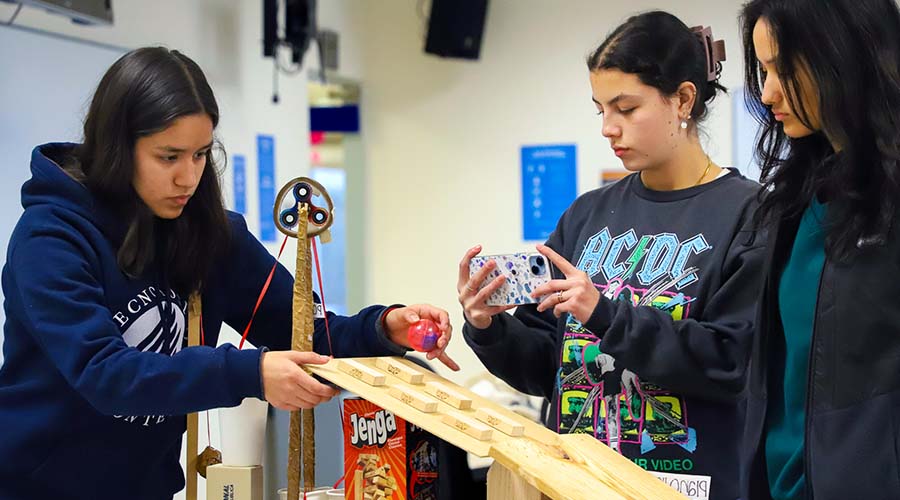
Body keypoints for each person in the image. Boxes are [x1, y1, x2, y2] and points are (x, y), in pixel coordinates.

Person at [0, 47, 457, 500]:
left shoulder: (209, 235)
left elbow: (305, 336)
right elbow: (106, 375)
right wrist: (249, 372)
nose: (188, 177)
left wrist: (383, 329)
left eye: (200, 155)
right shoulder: (50, 239)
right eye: (169, 157)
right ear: (119, 147)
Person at [458, 11, 764, 499]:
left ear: (683, 99)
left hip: (687, 485)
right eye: (600, 108)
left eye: (625, 108)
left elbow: (732, 362)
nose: (607, 127)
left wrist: (604, 314)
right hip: (575, 483)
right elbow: (546, 368)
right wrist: (489, 327)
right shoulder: (587, 214)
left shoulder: (750, 213)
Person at [739, 1, 900, 498]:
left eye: (782, 70)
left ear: (843, 54)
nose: (766, 93)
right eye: (763, 70)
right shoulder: (798, 197)